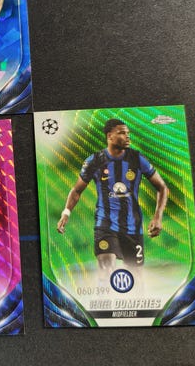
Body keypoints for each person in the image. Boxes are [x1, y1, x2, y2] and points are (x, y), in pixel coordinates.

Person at [57, 119, 169, 283]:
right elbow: (76, 190)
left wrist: (158, 217)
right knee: (106, 268)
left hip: (132, 226)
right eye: (122, 133)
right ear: (110, 136)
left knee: (136, 278)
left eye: (128, 133)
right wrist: (66, 213)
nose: (127, 136)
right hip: (105, 224)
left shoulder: (137, 159)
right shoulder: (95, 161)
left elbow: (162, 187)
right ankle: (105, 296)